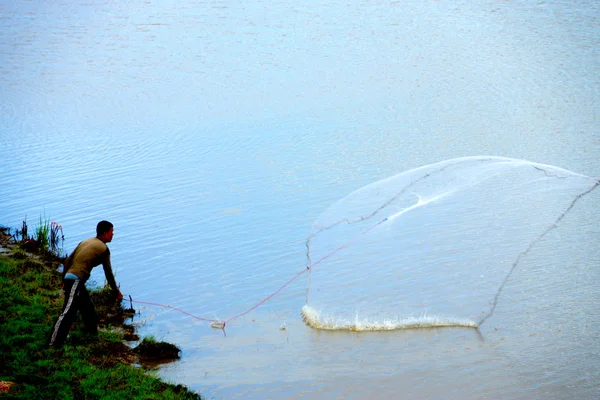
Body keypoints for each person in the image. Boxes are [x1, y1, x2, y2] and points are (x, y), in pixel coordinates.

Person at [48, 220, 123, 348]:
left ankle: (91, 337)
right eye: (112, 232)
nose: (113, 235)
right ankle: (52, 344)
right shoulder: (104, 249)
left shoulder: (86, 241)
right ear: (105, 233)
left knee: (88, 309)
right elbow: (108, 273)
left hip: (71, 278)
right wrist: (116, 291)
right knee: (67, 313)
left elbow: (67, 261)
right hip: (76, 280)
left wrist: (63, 280)